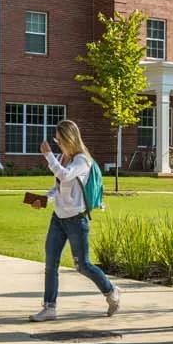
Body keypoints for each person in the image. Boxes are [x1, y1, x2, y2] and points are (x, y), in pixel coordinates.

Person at [28, 119, 121, 322]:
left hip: (76, 220)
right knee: (51, 263)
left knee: (83, 265)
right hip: (58, 219)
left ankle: (111, 290)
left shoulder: (82, 161)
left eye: (59, 140)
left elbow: (66, 176)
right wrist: (44, 199)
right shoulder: (62, 158)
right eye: (56, 140)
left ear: (69, 138)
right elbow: (59, 186)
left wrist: (48, 155)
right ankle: (49, 307)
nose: (57, 143)